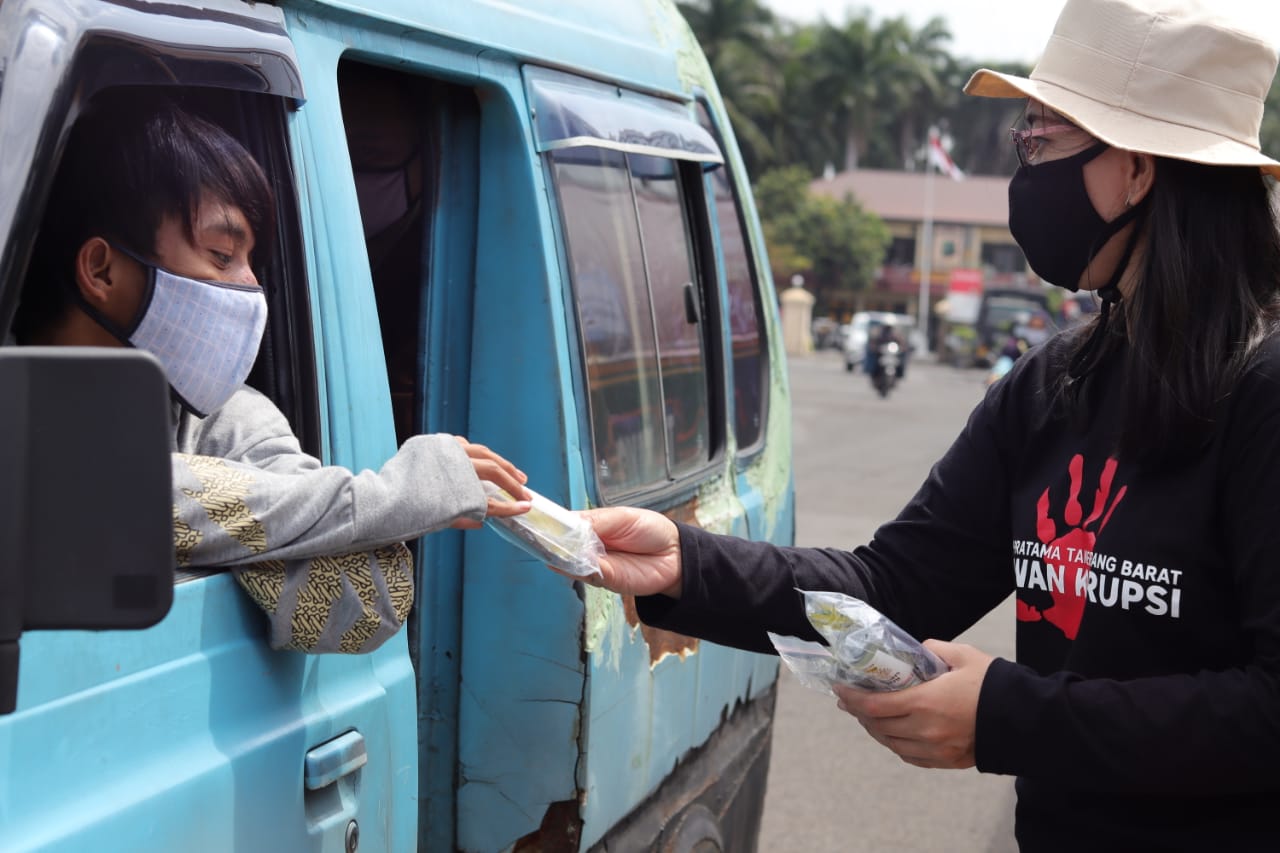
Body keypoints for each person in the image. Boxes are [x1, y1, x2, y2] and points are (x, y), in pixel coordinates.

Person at [561, 0, 1280, 848]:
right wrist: (687, 563)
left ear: (1137, 169)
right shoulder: (1054, 384)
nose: (1026, 164)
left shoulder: (1262, 393)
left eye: (1043, 137)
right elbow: (892, 586)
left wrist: (1006, 713)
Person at [14, 90, 531, 653]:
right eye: (221, 255)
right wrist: (394, 496)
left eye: (251, 261)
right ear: (101, 270)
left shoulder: (230, 418)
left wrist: (237, 527)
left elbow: (362, 608)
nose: (250, 286)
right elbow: (109, 487)